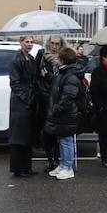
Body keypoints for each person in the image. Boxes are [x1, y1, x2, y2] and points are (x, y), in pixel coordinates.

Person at [44, 46, 87, 179]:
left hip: (67, 113)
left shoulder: (70, 76)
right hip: (63, 113)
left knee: (66, 140)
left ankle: (68, 167)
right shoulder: (64, 73)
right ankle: (63, 165)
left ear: (62, 60)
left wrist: (56, 108)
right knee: (62, 139)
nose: (56, 60)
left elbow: (68, 97)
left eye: (58, 58)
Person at [8, 36, 39, 177]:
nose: (29, 44)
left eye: (31, 42)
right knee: (18, 136)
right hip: (20, 101)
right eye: (27, 42)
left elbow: (33, 78)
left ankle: (27, 167)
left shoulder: (31, 59)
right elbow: (14, 83)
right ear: (21, 43)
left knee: (27, 135)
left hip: (29, 99)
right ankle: (17, 168)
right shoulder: (17, 59)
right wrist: (26, 98)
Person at [37, 36, 66, 171]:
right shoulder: (42, 55)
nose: (54, 46)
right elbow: (35, 73)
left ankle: (57, 159)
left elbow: (62, 78)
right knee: (47, 131)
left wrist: (48, 76)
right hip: (45, 97)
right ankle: (50, 160)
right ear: (48, 44)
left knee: (58, 131)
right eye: (52, 43)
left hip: (58, 98)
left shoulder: (64, 58)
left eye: (57, 44)